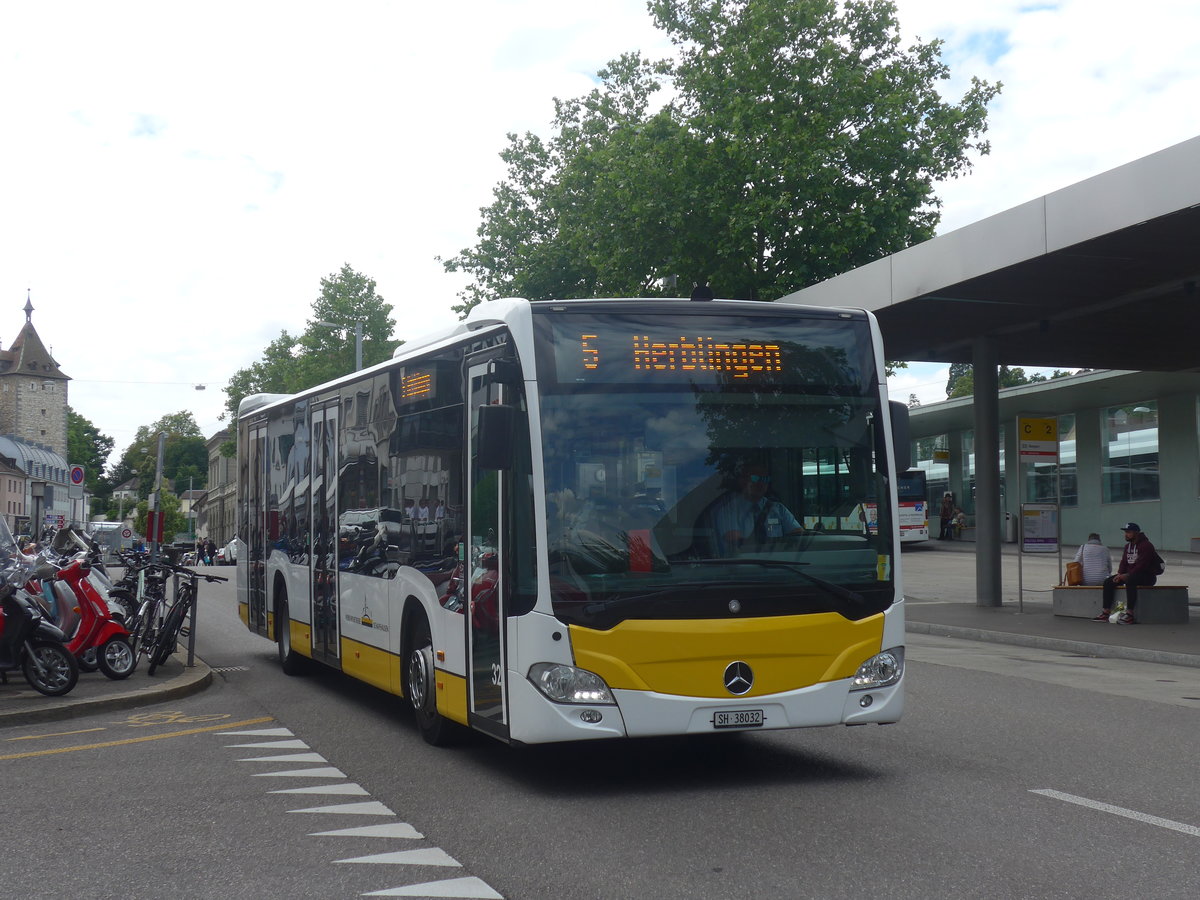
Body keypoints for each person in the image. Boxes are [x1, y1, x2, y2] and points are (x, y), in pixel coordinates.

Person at [705, 464, 804, 555]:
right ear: (742, 481)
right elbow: (739, 544)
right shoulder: (729, 511)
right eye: (755, 478)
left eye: (765, 479)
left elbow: (798, 536)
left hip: (780, 566)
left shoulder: (779, 509)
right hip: (742, 569)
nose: (761, 483)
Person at [1096, 522, 1158, 624]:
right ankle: (1106, 613)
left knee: (1130, 580)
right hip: (1131, 575)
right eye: (1125, 532)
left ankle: (1129, 614)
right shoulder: (1127, 546)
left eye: (1129, 532)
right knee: (1108, 581)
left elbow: (1142, 565)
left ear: (1136, 533)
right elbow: (1124, 562)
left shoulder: (1146, 546)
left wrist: (1127, 575)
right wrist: (1120, 574)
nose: (1126, 534)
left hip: (1147, 576)